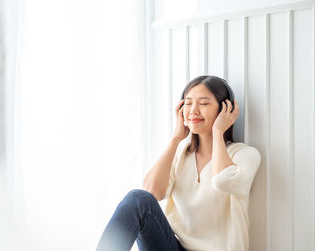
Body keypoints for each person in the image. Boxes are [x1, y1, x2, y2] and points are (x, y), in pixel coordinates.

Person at [96, 75, 261, 251]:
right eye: (188, 103)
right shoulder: (181, 152)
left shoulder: (245, 155)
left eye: (203, 103)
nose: (193, 111)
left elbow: (223, 181)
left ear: (224, 110)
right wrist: (176, 138)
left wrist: (218, 132)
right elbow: (152, 192)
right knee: (138, 198)